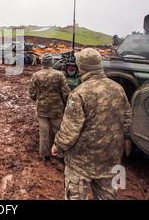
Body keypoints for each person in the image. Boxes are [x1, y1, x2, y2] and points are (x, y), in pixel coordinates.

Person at [51, 48, 132, 200]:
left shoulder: (79, 93)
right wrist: (125, 139)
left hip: (81, 162)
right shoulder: (118, 88)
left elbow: (70, 131)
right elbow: (127, 118)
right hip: (110, 158)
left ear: (82, 67)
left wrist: (57, 146)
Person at [29, 54, 70, 163]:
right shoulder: (59, 75)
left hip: (42, 109)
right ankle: (60, 154)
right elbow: (66, 93)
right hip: (57, 108)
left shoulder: (36, 75)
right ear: (51, 62)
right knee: (58, 131)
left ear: (42, 62)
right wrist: (65, 104)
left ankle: (45, 155)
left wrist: (39, 99)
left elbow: (32, 94)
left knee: (44, 132)